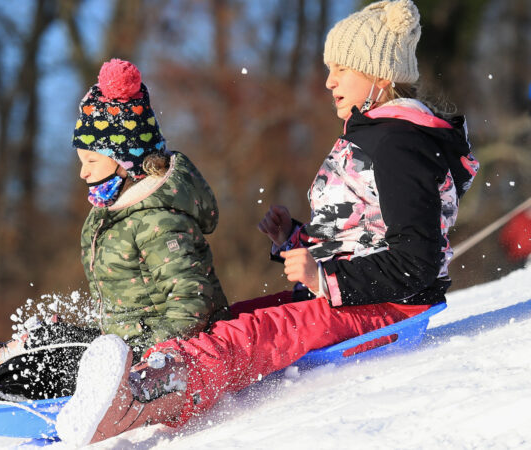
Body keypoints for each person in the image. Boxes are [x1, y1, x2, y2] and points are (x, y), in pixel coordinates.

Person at [55, 0, 480, 445]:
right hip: (357, 297)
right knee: (235, 320)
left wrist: (324, 276)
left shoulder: (399, 144)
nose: (329, 81)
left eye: (341, 69)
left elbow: (418, 261)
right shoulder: (376, 135)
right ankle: (137, 378)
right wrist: (296, 238)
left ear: (379, 75)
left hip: (386, 309)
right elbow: (362, 230)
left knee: (254, 335)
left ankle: (145, 395)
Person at [0, 58, 230, 408]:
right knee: (52, 334)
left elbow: (192, 305)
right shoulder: (119, 213)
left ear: (126, 159)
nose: (83, 173)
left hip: (158, 357)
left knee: (66, 362)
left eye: (91, 161)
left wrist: (148, 354)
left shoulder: (158, 220)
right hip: (128, 344)